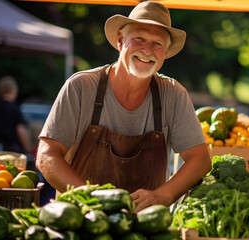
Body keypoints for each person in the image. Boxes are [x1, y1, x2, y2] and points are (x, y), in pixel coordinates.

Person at [36, 1, 211, 213]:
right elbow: (47, 156)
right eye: (139, 39)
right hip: (81, 221)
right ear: (120, 41)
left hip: (144, 226)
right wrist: (88, 198)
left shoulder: (173, 95)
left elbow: (200, 159)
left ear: (165, 52)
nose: (147, 50)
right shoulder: (81, 86)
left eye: (157, 44)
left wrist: (162, 196)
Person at [0, 76, 32, 154]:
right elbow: (20, 130)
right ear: (14, 91)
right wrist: (28, 148)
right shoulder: (15, 108)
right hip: (12, 150)